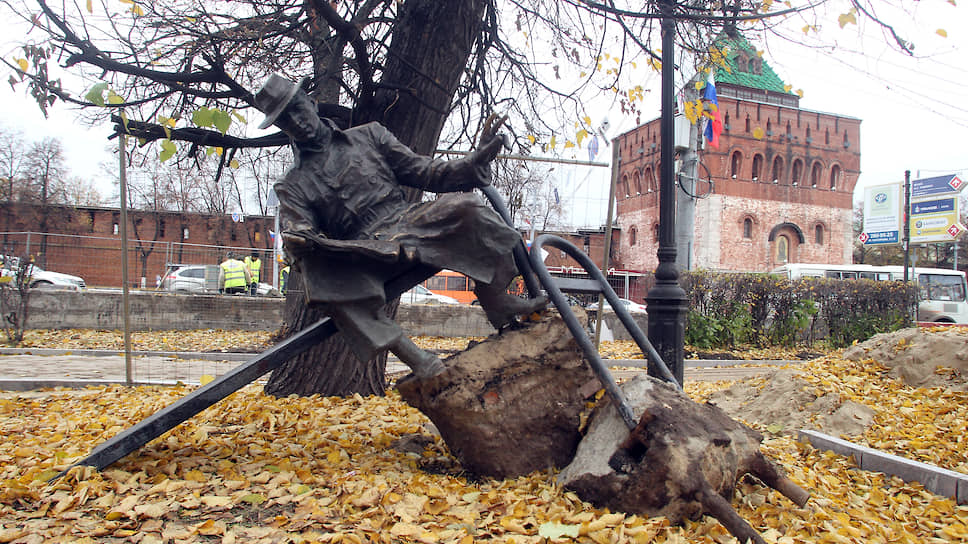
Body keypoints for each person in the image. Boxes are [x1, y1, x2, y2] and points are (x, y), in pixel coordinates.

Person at [254, 73, 546, 379]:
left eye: (298, 111)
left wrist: (476, 159)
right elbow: (298, 226)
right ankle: (414, 356)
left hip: (409, 221)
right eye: (287, 121)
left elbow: (427, 172)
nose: (298, 123)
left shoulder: (369, 135)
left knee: (470, 207)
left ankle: (495, 299)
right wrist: (300, 238)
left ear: (312, 104)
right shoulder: (292, 184)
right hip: (362, 251)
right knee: (317, 271)